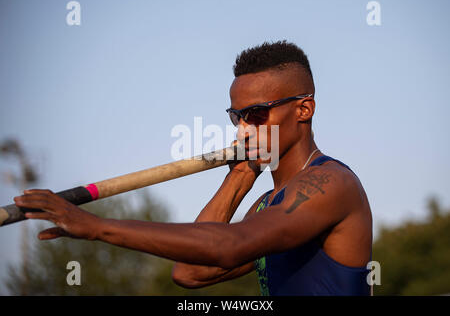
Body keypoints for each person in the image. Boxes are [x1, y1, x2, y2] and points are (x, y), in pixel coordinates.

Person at [14, 40, 372, 295]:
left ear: (304, 109)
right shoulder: (267, 205)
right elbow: (191, 272)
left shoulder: (330, 184)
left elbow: (231, 245)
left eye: (257, 114)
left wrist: (95, 226)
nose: (243, 129)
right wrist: (240, 177)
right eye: (237, 116)